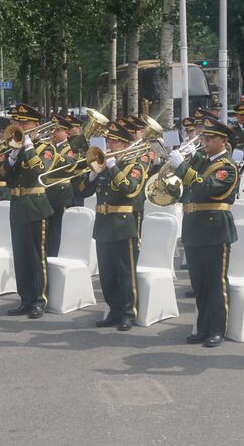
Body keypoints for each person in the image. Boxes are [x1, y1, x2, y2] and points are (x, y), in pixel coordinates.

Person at [169, 116, 239, 347]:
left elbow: (206, 189)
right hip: (194, 228)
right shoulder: (202, 162)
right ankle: (203, 326)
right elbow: (187, 189)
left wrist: (182, 167)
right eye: (204, 137)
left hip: (214, 229)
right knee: (199, 283)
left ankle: (217, 329)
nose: (205, 141)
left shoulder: (227, 167)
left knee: (215, 283)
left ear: (223, 140)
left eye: (209, 138)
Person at [77, 121, 146, 331]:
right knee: (107, 274)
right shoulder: (102, 165)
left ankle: (128, 313)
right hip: (103, 224)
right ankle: (113, 311)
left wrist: (113, 167)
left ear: (125, 144)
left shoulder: (135, 166)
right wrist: (91, 175)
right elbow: (81, 191)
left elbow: (130, 189)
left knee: (125, 273)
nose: (110, 144)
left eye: (114, 141)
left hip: (123, 225)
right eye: (109, 140)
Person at [0, 103, 56, 318]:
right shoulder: (14, 148)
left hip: (36, 204)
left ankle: (39, 300)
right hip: (18, 205)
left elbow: (40, 170)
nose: (20, 125)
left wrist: (28, 147)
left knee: (36, 256)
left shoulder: (45, 147)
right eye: (17, 122)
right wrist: (12, 156)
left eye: (25, 122)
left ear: (36, 125)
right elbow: (2, 174)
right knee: (20, 256)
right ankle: (25, 299)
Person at [44, 114, 79, 256]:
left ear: (66, 132)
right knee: (48, 230)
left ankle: (58, 257)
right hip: (47, 193)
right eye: (52, 129)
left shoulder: (69, 148)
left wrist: (54, 155)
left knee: (58, 230)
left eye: (57, 130)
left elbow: (70, 163)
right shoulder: (48, 146)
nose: (53, 133)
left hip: (60, 194)